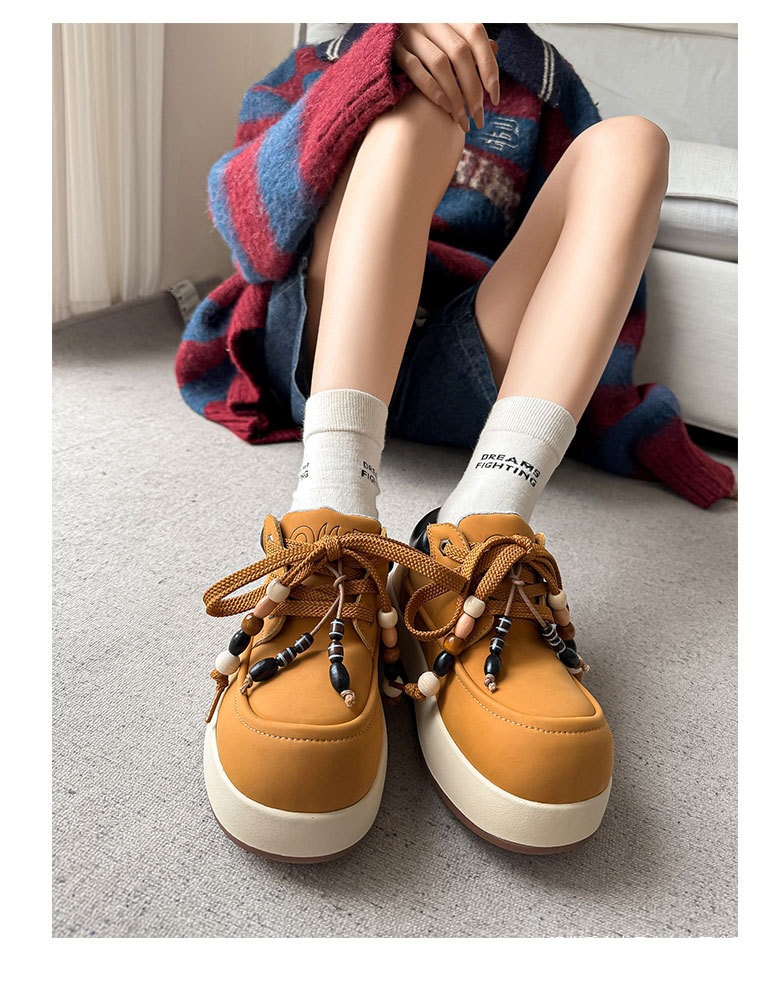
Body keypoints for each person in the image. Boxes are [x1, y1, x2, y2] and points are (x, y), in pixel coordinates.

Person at [186, 23, 717, 862]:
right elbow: (250, 231)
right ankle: (334, 498)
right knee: (418, 113)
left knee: (632, 143)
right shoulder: (322, 58)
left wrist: (636, 426)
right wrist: (376, 64)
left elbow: (581, 266)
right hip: (328, 343)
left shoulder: (543, 87)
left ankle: (477, 523)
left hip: (463, 356)